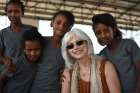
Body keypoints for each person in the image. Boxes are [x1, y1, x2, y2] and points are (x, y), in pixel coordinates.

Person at [61, 28, 121, 93]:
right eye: (70, 46)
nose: (75, 47)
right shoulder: (68, 73)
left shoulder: (106, 67)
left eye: (79, 42)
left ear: (87, 43)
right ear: (67, 52)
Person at [92, 13, 140, 93]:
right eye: (98, 33)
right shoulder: (102, 54)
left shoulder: (129, 45)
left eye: (106, 31)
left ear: (114, 30)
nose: (103, 35)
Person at [30, 10, 75, 93]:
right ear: (51, 23)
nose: (61, 26)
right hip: (36, 89)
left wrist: (69, 72)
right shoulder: (41, 42)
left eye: (65, 25)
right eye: (58, 22)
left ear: (70, 28)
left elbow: (74, 68)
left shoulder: (71, 49)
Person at [3, 29, 44, 93]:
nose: (33, 53)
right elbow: (2, 78)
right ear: (24, 49)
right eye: (29, 50)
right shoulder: (15, 63)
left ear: (41, 48)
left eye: (36, 49)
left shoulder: (41, 63)